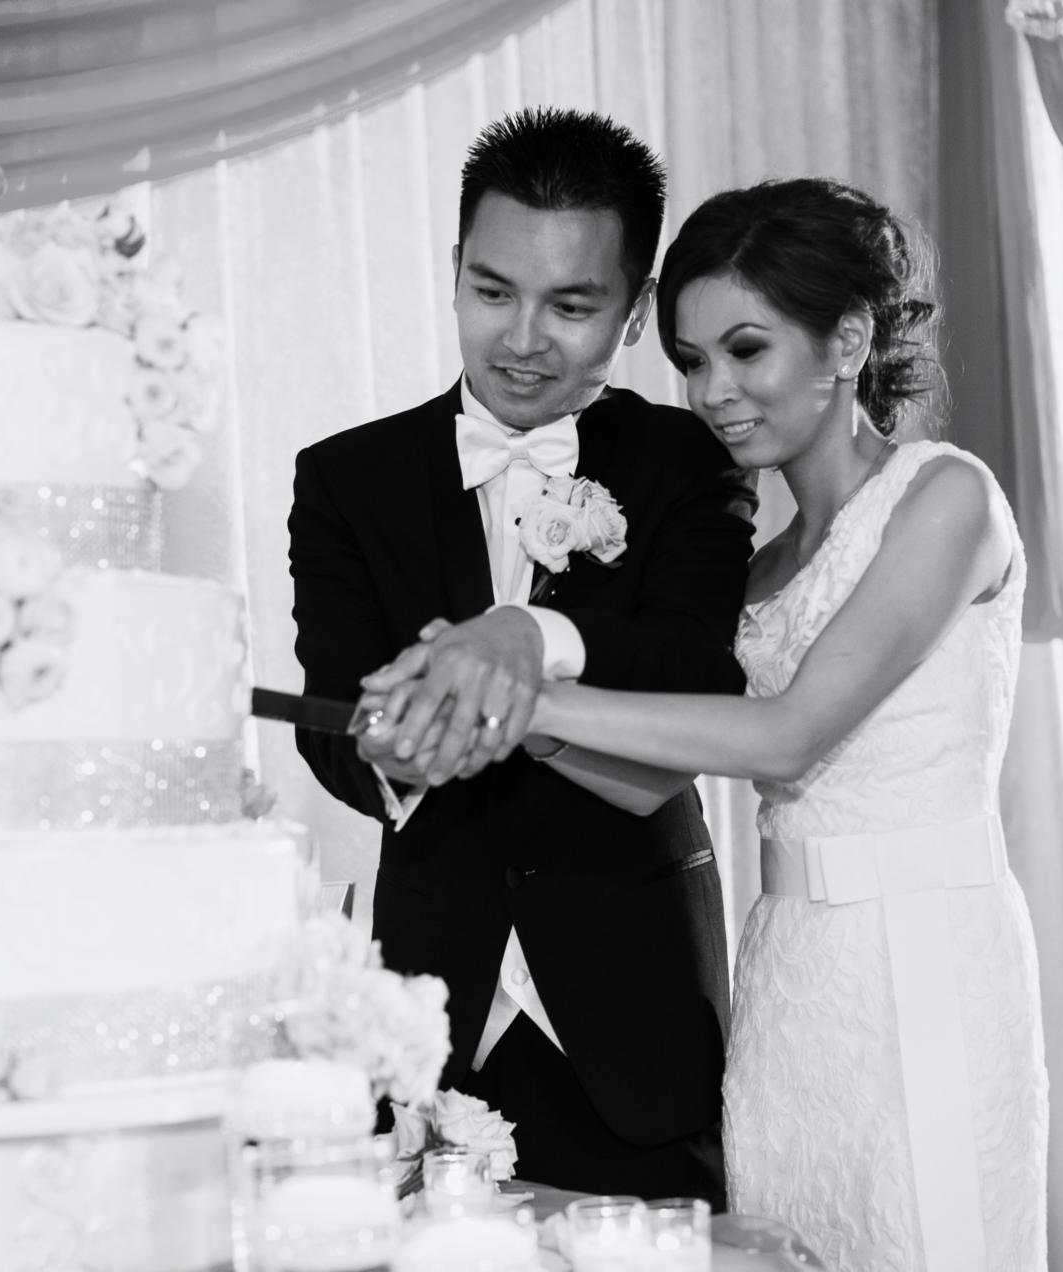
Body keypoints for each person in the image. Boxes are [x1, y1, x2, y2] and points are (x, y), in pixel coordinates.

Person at [370, 176, 1048, 1269]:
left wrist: (530, 679)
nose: (714, 392)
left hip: (924, 954)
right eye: (691, 361)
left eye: (745, 350)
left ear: (848, 340)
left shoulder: (945, 498)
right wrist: (479, 719)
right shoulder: (762, 568)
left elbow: (787, 737)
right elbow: (647, 780)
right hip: (792, 967)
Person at [287, 106, 755, 1209]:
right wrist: (396, 750)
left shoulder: (689, 459)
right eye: (492, 292)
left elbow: (697, 672)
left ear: (634, 311)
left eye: (572, 306)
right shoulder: (347, 478)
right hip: (430, 1012)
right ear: (455, 269)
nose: (523, 340)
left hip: (633, 1008)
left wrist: (537, 647)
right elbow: (333, 716)